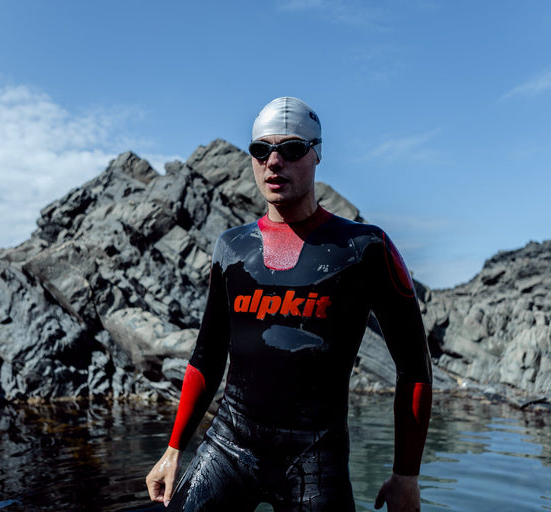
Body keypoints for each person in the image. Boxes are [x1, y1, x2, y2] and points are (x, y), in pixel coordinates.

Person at [146, 97, 433, 511]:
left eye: (291, 149)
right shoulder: (232, 248)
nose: (274, 161)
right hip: (230, 443)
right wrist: (173, 449)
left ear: (316, 155)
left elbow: (414, 368)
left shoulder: (364, 248)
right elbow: (206, 357)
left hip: (314, 457)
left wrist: (406, 474)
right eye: (261, 150)